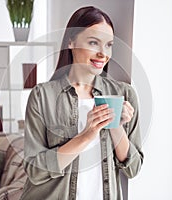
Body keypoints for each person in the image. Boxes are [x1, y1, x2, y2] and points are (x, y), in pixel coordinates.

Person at [20, 6, 143, 200]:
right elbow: (35, 170)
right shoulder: (42, 96)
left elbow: (133, 168)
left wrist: (116, 126)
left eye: (109, 44)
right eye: (94, 42)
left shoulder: (123, 94)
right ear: (71, 41)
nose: (103, 53)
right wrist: (86, 135)